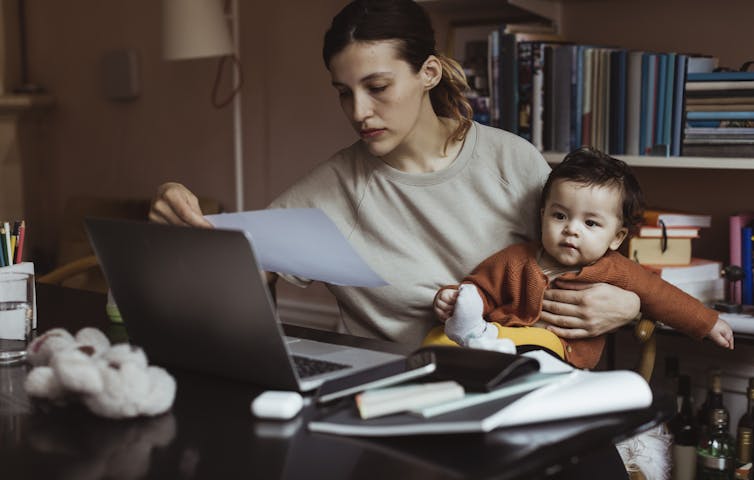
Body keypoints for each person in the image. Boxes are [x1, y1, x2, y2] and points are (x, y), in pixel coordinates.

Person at [149, 0, 641, 349]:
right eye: (344, 92)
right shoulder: (333, 187)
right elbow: (245, 269)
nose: (359, 111)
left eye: (377, 86)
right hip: (386, 397)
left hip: (517, 386)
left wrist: (630, 304)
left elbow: (585, 258)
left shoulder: (511, 160)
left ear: (428, 72)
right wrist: (180, 222)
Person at [432, 147, 734, 368]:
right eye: (560, 216)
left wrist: (707, 323)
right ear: (543, 216)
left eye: (590, 223)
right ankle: (473, 337)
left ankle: (483, 346)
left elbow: (662, 296)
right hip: (502, 338)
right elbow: (480, 288)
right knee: (436, 340)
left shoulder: (617, 270)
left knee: (539, 344)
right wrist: (455, 299)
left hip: (561, 357)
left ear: (617, 237)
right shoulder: (516, 259)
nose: (571, 230)